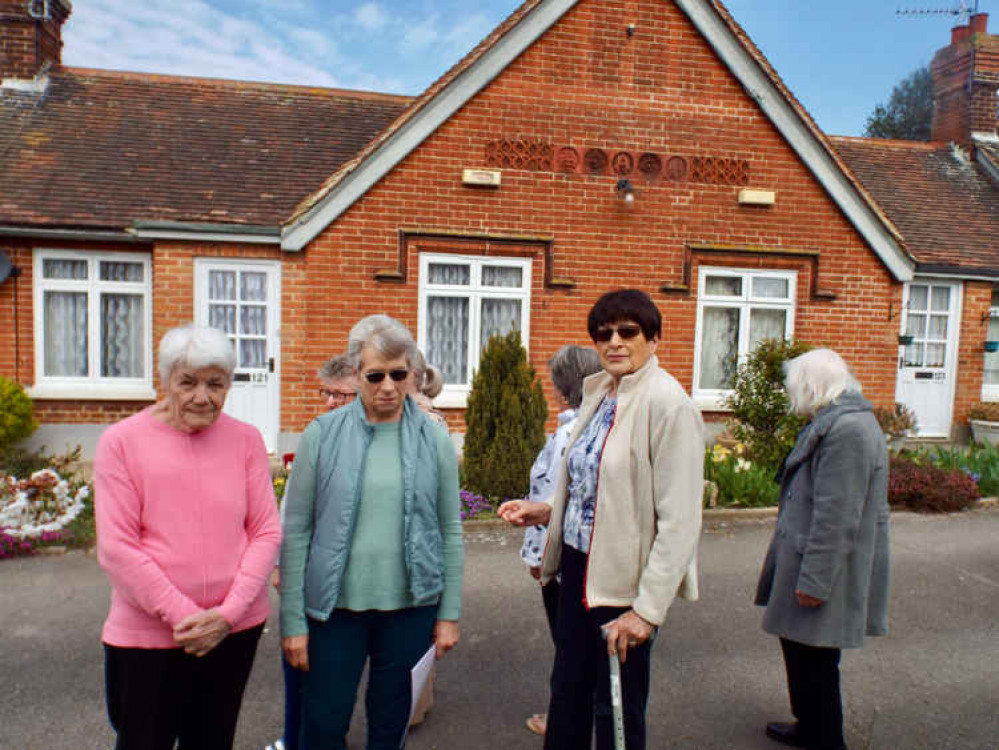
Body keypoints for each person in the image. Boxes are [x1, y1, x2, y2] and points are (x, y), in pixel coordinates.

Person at [498, 289, 704, 750]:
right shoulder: (603, 393)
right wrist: (547, 509)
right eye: (602, 333)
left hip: (623, 587)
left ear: (652, 338)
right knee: (568, 692)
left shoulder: (669, 405)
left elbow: (679, 522)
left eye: (627, 331)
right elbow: (599, 488)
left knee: (616, 712)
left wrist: (646, 612)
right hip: (576, 570)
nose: (614, 341)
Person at [94, 324, 282, 750]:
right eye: (188, 382)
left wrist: (226, 616)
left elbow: (266, 531)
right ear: (165, 382)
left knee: (212, 741)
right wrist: (188, 617)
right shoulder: (121, 443)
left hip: (233, 631)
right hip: (149, 636)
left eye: (216, 384)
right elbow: (118, 548)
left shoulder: (247, 440)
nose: (203, 395)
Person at [280, 314, 464, 749]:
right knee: (322, 726)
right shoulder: (320, 435)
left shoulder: (434, 439)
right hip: (334, 611)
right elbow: (297, 531)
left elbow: (449, 530)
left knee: (390, 726)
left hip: (410, 608)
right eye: (375, 375)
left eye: (398, 374)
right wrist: (292, 620)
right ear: (356, 374)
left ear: (413, 374)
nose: (387, 386)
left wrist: (449, 614)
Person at [755, 349, 890, 750]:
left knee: (815, 657)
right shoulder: (835, 421)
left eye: (795, 386)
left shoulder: (847, 431)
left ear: (812, 387)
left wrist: (814, 581)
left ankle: (825, 738)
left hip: (825, 566)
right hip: (808, 556)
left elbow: (837, 516)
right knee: (801, 648)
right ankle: (810, 725)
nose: (791, 394)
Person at [266, 354, 357, 750]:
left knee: (334, 677)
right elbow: (292, 513)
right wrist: (279, 564)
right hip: (309, 573)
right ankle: (293, 739)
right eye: (328, 393)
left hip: (353, 584)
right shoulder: (316, 436)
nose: (332, 402)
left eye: (343, 395)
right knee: (297, 664)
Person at [519, 345, 603, 737]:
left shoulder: (571, 432)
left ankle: (567, 719)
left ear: (563, 387)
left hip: (560, 561)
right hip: (581, 556)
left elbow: (552, 501)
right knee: (579, 648)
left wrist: (538, 559)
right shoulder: (594, 423)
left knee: (570, 648)